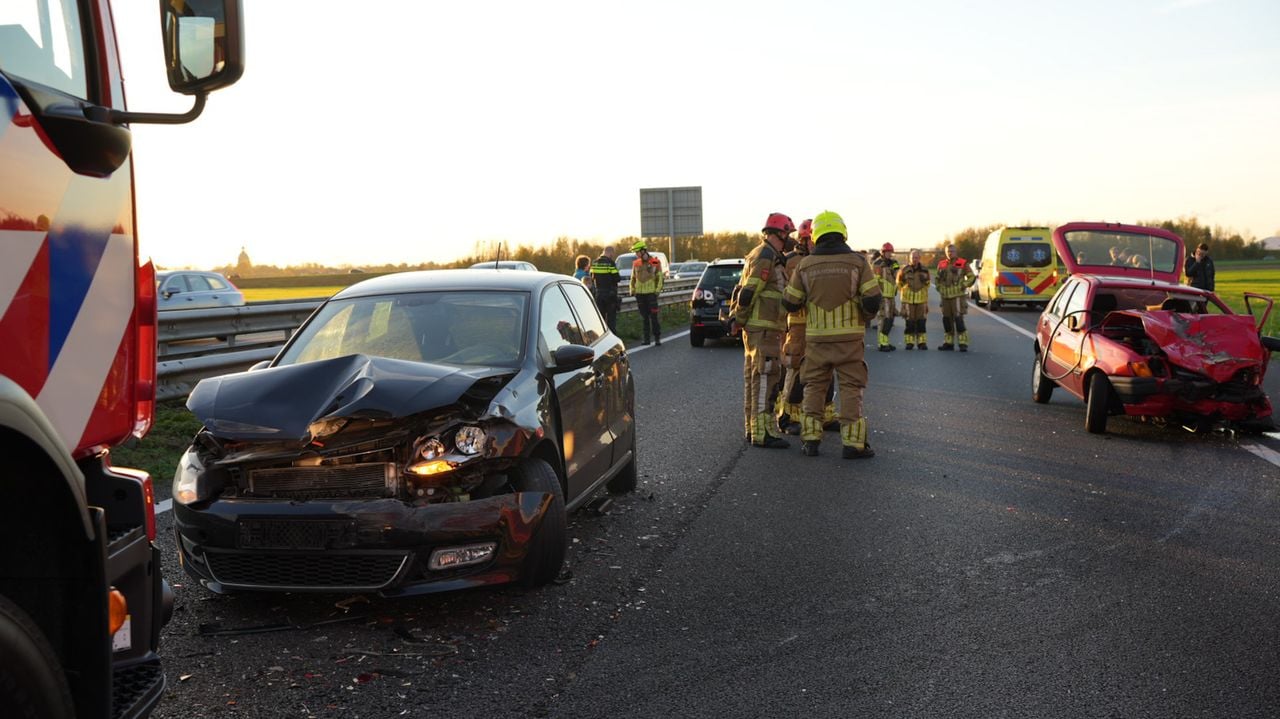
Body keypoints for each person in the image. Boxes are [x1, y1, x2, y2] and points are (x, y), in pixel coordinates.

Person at [782, 210, 881, 459]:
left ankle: (811, 441)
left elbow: (790, 302)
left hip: (816, 340)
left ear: (816, 235)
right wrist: (862, 314)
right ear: (842, 232)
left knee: (814, 388)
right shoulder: (858, 262)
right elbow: (873, 299)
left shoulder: (805, 265)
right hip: (849, 340)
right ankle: (853, 444)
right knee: (851, 388)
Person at [733, 212, 794, 448]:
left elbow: (743, 289)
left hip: (761, 328)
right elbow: (749, 291)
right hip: (764, 329)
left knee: (755, 379)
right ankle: (762, 433)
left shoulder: (762, 254)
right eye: (787, 233)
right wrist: (739, 318)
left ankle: (755, 429)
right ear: (779, 233)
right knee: (765, 379)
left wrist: (738, 319)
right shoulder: (766, 256)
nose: (790, 238)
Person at [935, 243, 976, 351]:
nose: (950, 253)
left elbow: (971, 277)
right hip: (945, 297)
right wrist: (939, 288)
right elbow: (937, 279)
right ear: (945, 253)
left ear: (956, 252)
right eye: (948, 251)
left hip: (958, 297)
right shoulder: (941, 264)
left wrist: (964, 285)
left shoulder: (962, 263)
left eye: (952, 251)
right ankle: (948, 343)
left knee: (959, 320)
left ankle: (963, 343)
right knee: (947, 320)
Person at [629, 240, 665, 345]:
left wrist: (657, 291)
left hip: (651, 294)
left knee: (654, 317)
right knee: (644, 318)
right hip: (640, 295)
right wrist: (632, 289)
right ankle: (646, 339)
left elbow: (660, 277)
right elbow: (633, 278)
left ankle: (657, 338)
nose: (636, 254)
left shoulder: (654, 261)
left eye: (637, 252)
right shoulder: (636, 263)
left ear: (643, 251)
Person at [897, 249, 930, 350]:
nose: (914, 259)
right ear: (909, 258)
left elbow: (928, 283)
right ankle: (909, 342)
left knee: (921, 322)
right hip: (908, 300)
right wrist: (905, 291)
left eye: (916, 257)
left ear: (919, 258)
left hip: (921, 300)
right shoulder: (904, 269)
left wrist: (923, 291)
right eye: (913, 257)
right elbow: (899, 283)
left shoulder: (925, 270)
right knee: (909, 322)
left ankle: (922, 342)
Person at [873, 242, 901, 352]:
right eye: (887, 252)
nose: (889, 254)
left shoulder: (894, 263)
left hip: (891, 296)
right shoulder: (877, 263)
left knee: (890, 319)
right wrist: (878, 295)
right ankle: (882, 344)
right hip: (883, 296)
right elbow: (875, 281)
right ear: (883, 252)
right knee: (883, 319)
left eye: (890, 252)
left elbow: (897, 275)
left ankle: (886, 341)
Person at [590, 246, 621, 333]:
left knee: (601, 320)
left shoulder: (594, 263)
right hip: (610, 295)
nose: (612, 256)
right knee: (611, 320)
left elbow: (591, 277)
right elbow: (617, 278)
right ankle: (612, 337)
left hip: (599, 294)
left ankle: (602, 336)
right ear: (610, 253)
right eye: (612, 254)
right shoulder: (610, 263)